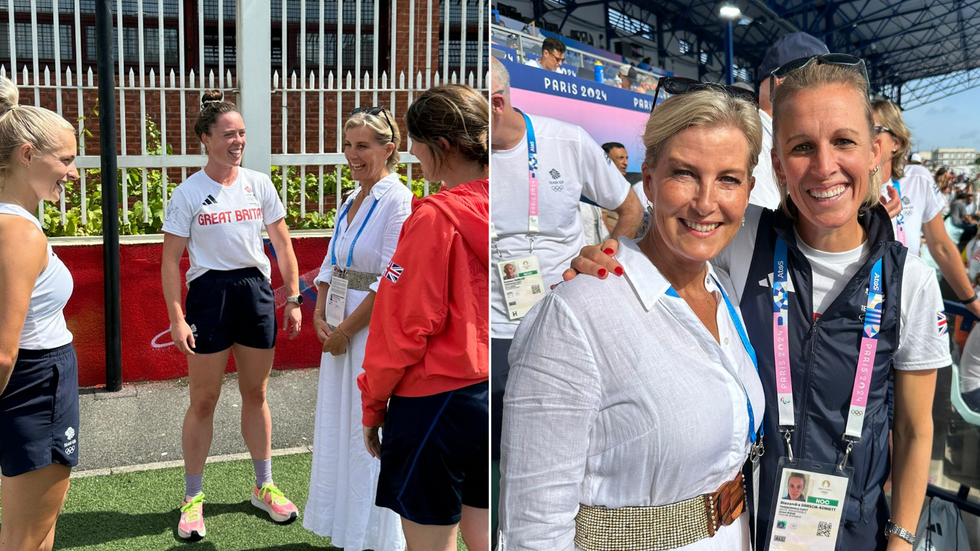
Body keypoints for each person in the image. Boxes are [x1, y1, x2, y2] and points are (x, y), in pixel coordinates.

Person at [571, 57, 949, 549]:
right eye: (801, 148)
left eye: (843, 141)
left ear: (875, 151)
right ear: (775, 164)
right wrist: (607, 257)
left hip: (854, 530)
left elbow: (917, 429)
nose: (824, 166)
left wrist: (900, 540)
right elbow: (661, 242)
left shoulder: (911, 282)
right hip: (744, 525)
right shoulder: (742, 235)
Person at [499, 86, 764, 550]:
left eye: (728, 179)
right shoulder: (575, 316)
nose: (705, 203)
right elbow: (534, 524)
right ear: (650, 179)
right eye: (684, 174)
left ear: (748, 191)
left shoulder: (722, 292)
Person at [488, 57, 643, 537]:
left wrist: (606, 255)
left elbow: (629, 207)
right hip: (491, 332)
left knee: (564, 460)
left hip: (562, 328)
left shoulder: (567, 140)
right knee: (492, 464)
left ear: (496, 104)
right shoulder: (467, 155)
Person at [162, 90, 303, 541]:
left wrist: (294, 298)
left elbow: (282, 244)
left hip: (254, 293)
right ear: (205, 139)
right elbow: (170, 263)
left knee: (256, 393)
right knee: (203, 400)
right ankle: (192, 497)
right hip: (209, 296)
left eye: (241, 133)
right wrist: (177, 317)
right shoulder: (187, 193)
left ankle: (264, 486)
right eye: (228, 134)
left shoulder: (259, 183)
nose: (238, 141)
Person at [358, 84, 489, 551]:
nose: (410, 152)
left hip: (435, 400)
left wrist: (373, 406)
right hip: (493, 392)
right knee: (486, 531)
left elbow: (402, 328)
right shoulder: (515, 206)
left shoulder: (434, 218)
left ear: (444, 146)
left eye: (414, 140)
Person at [304, 107, 411, 550]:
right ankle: (349, 530)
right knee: (341, 426)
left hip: (368, 330)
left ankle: (376, 538)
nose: (352, 154)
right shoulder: (351, 200)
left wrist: (345, 330)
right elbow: (332, 263)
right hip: (339, 327)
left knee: (368, 431)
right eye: (348, 145)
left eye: (363, 145)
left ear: (389, 149)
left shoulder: (398, 199)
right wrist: (318, 315)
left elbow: (391, 276)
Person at [0, 76, 79, 551]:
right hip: (34, 384)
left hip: (34, 383)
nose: (73, 172)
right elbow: (3, 352)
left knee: (34, 532)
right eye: (66, 160)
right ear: (28, 154)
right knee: (25, 539)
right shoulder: (20, 233)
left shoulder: (14, 223)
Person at [873, 100, 980, 318]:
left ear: (897, 141)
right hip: (862, 309)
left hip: (907, 303)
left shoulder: (917, 179)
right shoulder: (844, 186)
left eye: (873, 130)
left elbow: (940, 245)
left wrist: (972, 303)